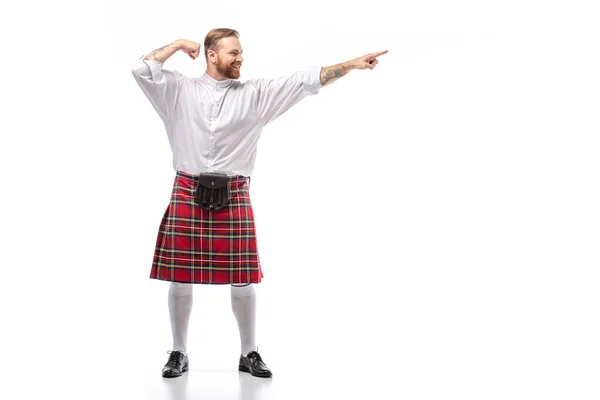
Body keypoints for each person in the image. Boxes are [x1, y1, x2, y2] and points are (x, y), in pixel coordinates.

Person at [131, 28, 387, 379]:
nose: (240, 58)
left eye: (241, 52)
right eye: (233, 52)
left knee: (243, 278)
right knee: (179, 277)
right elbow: (142, 70)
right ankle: (178, 352)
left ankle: (248, 353)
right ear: (211, 55)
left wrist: (351, 65)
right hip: (187, 190)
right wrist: (176, 45)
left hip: (233, 192)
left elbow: (306, 81)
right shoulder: (178, 91)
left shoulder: (255, 95)